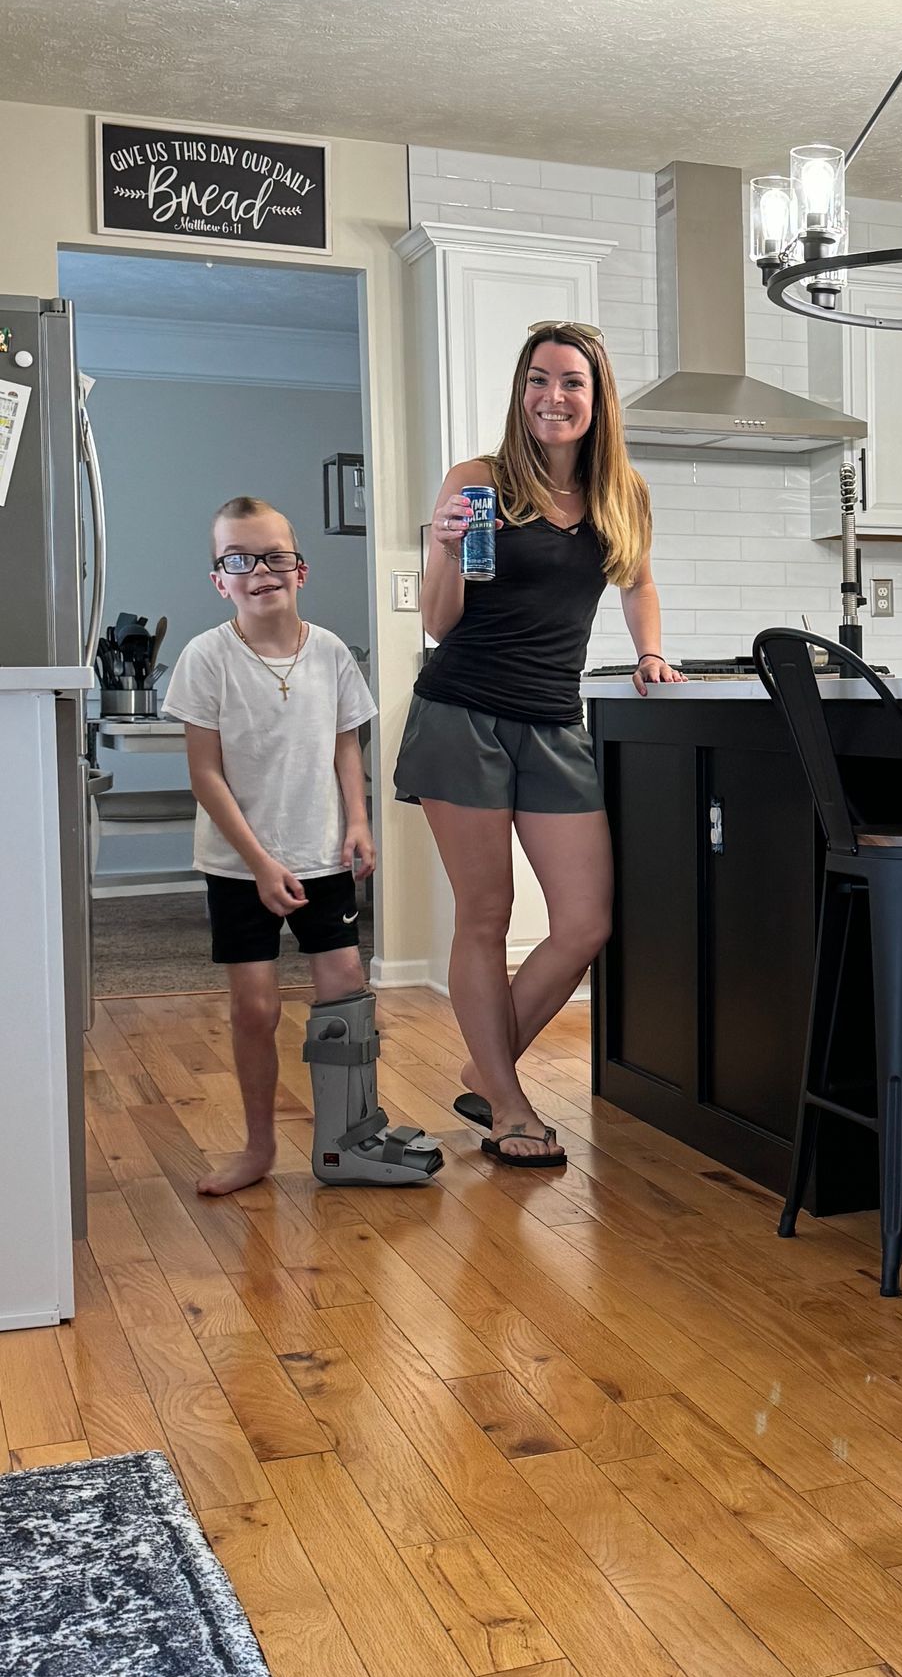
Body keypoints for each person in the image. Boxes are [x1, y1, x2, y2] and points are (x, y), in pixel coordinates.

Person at [394, 319, 683, 1168]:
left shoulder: (622, 492)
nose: (552, 397)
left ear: (597, 401)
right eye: (538, 380)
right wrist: (443, 548)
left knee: (586, 921)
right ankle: (510, 1105)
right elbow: (441, 624)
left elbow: (639, 583)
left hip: (555, 720)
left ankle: (487, 1070)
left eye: (571, 383)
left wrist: (652, 654)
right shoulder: (479, 481)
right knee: (486, 917)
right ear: (521, 392)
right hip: (462, 714)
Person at [167, 497, 380, 1195]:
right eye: (239, 560)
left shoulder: (331, 654)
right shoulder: (206, 658)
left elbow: (347, 745)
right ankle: (258, 1147)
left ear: (300, 568)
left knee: (344, 992)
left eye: (274, 556)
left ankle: (348, 1138)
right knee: (256, 1008)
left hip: (321, 855)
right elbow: (205, 773)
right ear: (219, 579)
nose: (260, 571)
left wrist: (358, 820)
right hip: (239, 865)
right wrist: (260, 863)